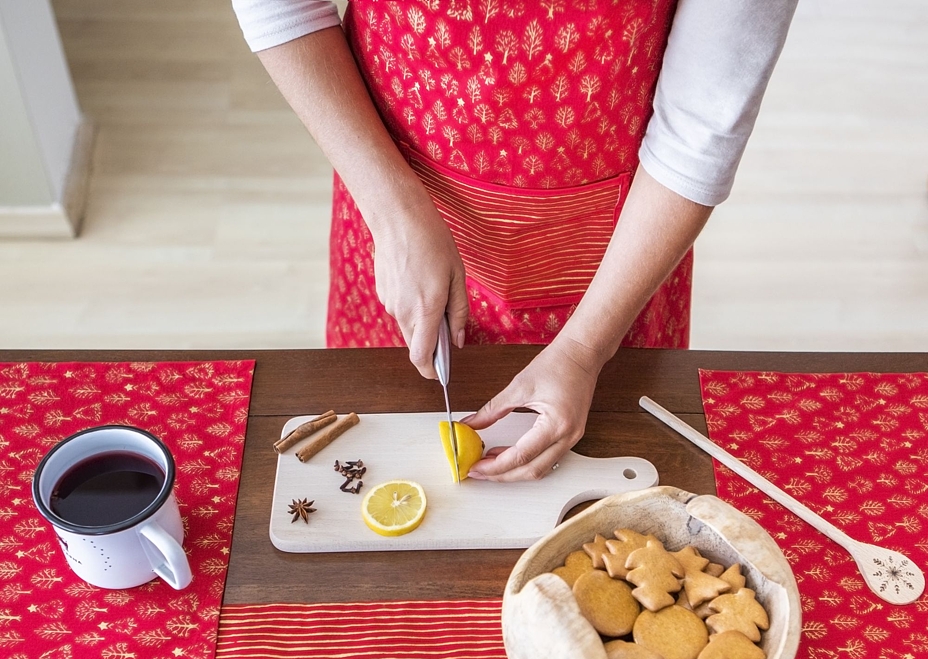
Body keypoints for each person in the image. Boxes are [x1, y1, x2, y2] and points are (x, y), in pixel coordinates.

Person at [231, 0, 797, 480]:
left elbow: (702, 126)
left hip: (616, 247)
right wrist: (393, 210)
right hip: (387, 190)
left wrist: (582, 351)